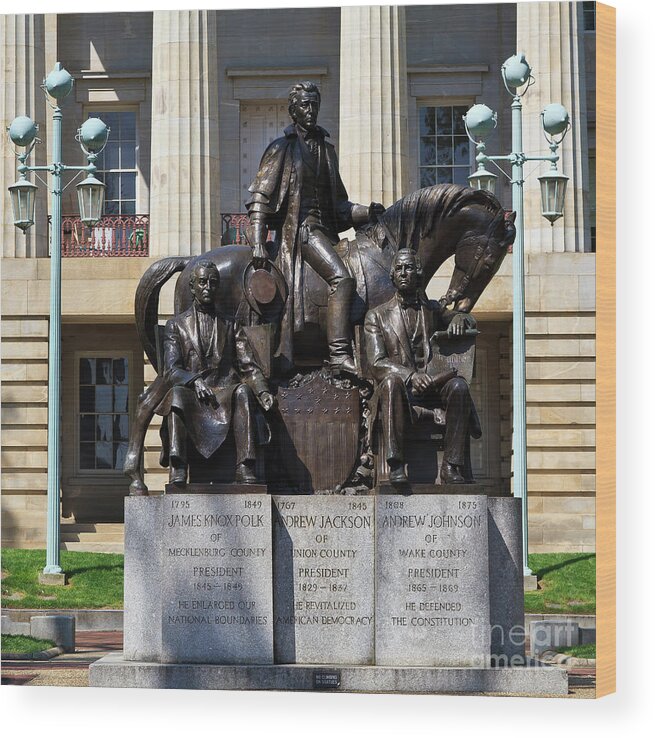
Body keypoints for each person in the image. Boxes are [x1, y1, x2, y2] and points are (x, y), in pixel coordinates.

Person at [246, 80, 384, 376]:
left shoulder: (326, 150)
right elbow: (260, 198)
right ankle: (338, 354)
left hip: (326, 232)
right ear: (293, 110)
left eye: (315, 105)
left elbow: (339, 207)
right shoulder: (282, 149)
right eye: (305, 105)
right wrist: (258, 242)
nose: (311, 110)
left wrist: (367, 212)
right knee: (342, 278)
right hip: (301, 233)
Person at [364, 249, 478, 486]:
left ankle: (451, 466)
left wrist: (460, 319)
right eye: (399, 269)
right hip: (398, 392)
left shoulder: (433, 309)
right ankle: (396, 464)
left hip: (432, 391)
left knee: (458, 386)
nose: (404, 273)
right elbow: (376, 363)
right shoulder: (376, 316)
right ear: (393, 276)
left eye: (409, 268)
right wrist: (410, 376)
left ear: (418, 274)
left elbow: (465, 319)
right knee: (391, 381)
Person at [161, 260, 274, 484]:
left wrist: (262, 392)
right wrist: (193, 381)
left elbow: (248, 365)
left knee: (243, 391)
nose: (208, 288)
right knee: (175, 395)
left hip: (224, 392)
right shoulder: (176, 325)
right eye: (202, 282)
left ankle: (245, 466)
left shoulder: (230, 325)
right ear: (192, 287)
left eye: (213, 283)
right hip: (193, 395)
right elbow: (171, 370)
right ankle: (178, 466)